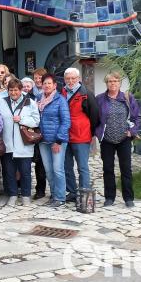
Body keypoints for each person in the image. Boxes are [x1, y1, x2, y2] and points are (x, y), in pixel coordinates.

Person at [96, 72, 141, 208]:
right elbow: (94, 117)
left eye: (116, 81)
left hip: (124, 139)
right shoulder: (100, 99)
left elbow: (137, 116)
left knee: (126, 169)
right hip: (107, 140)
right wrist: (98, 132)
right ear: (106, 83)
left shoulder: (128, 97)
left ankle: (128, 198)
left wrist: (132, 131)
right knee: (108, 169)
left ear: (120, 83)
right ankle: (109, 197)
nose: (113, 83)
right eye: (110, 81)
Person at [0, 78, 41, 206]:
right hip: (7, 143)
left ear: (21, 90)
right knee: (9, 172)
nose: (13, 93)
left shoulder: (30, 102)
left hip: (24, 144)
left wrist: (21, 119)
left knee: (25, 172)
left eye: (16, 90)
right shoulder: (2, 102)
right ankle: (12, 195)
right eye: (11, 90)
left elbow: (36, 121)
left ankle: (26, 195)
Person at [61, 67, 100, 204]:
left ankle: (84, 193)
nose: (70, 81)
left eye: (73, 78)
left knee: (82, 166)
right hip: (65, 135)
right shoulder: (62, 92)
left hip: (81, 136)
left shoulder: (87, 94)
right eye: (68, 79)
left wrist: (91, 132)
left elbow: (95, 115)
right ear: (64, 79)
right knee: (67, 166)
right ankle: (71, 192)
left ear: (78, 79)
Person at [37, 74, 71, 208]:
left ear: (54, 85)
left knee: (57, 169)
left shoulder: (60, 100)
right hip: (43, 140)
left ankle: (61, 198)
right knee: (48, 170)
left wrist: (59, 140)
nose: (46, 85)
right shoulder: (39, 99)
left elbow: (66, 121)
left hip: (57, 141)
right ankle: (54, 195)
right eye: (44, 83)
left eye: (49, 83)